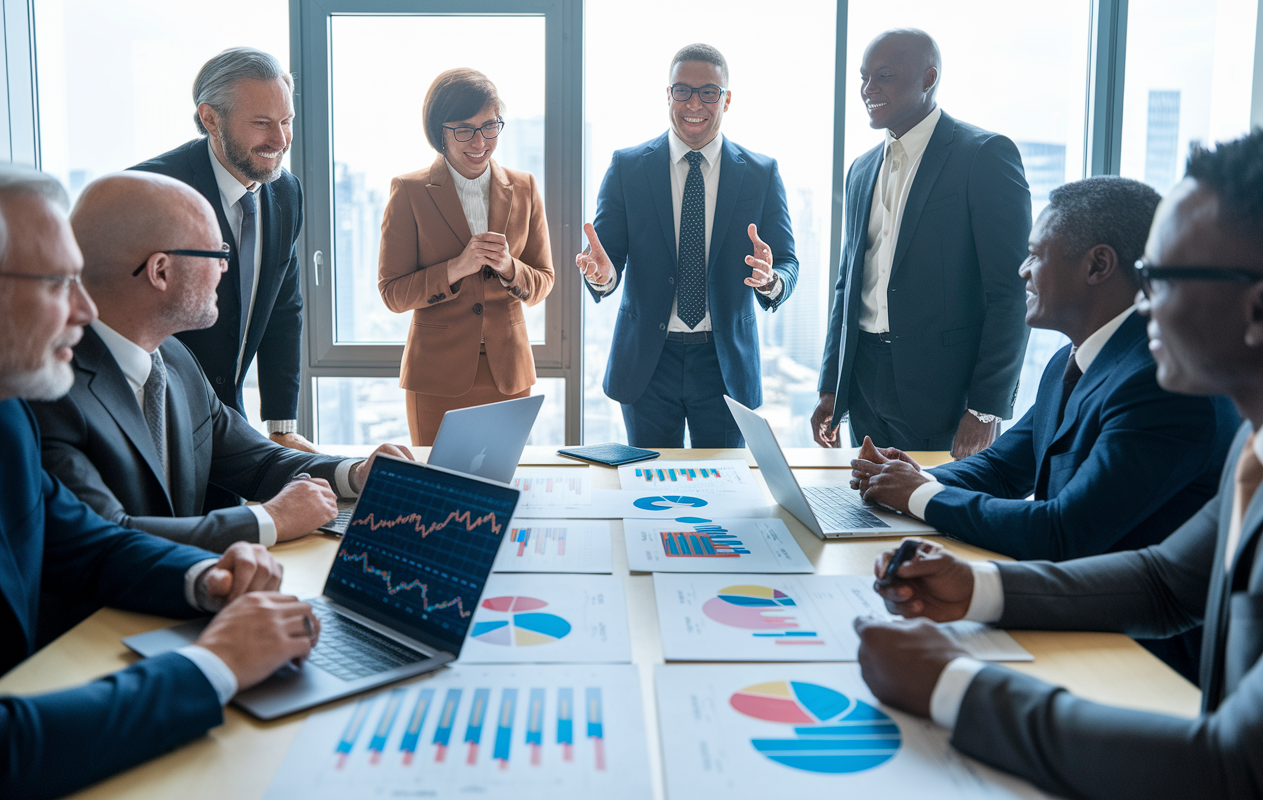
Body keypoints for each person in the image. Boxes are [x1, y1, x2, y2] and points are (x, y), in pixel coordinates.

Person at [855, 127, 1263, 798]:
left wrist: (956, 687)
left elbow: (1237, 768)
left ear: (1262, 309)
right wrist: (975, 589)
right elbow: (1167, 582)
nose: (1145, 302)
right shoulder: (1262, 449)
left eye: (1162, 278)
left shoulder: (1185, 403)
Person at [0, 163, 321, 800]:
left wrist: (206, 580)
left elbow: (85, 541)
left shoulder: (8, 416)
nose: (86, 308)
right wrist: (213, 665)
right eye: (61, 282)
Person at [850, 177, 1238, 562]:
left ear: (1098, 265)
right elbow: (1002, 469)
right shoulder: (1068, 364)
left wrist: (918, 494)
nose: (1023, 270)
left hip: (1117, 620)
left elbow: (1063, 532)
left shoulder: (1162, 385)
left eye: (1036, 254)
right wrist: (909, 478)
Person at [29, 172, 412, 554]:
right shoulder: (48, 389)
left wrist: (357, 474)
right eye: (217, 254)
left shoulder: (174, 358)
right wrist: (270, 520)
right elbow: (107, 538)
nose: (225, 269)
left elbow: (259, 462)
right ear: (160, 271)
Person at [812, 29, 1031, 458]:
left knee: (936, 518)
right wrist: (829, 387)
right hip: (863, 384)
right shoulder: (860, 169)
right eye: (863, 78)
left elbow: (1013, 291)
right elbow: (847, 287)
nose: (867, 90)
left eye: (884, 76)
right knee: (870, 514)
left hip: (943, 393)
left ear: (928, 78)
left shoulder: (984, 155)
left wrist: (986, 408)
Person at [577, 43, 799, 448]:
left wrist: (771, 281)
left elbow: (786, 262)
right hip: (648, 361)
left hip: (724, 363)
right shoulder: (628, 167)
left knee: (723, 491)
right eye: (682, 90)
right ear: (668, 95)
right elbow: (604, 261)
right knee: (648, 489)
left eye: (708, 92)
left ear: (727, 100)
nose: (694, 103)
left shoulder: (761, 174)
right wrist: (603, 277)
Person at [131, 47, 315, 453]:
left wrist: (281, 425)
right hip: (151, 420)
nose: (280, 140)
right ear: (211, 119)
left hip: (229, 419)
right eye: (262, 123)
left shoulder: (286, 191)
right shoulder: (150, 191)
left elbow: (285, 307)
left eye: (287, 122)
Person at [378, 68, 555, 446]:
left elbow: (543, 282)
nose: (479, 141)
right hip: (436, 376)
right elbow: (392, 293)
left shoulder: (524, 187)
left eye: (489, 127)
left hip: (508, 373)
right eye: (463, 129)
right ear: (438, 131)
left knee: (504, 488)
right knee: (438, 490)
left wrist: (509, 267)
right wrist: (455, 269)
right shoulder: (409, 191)